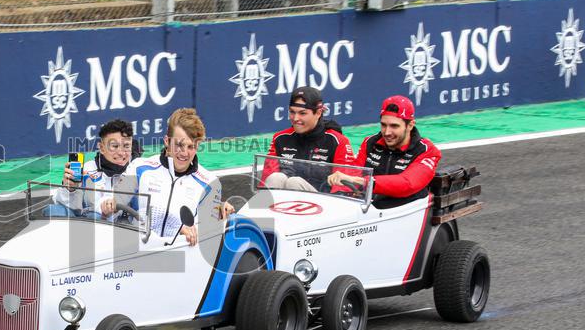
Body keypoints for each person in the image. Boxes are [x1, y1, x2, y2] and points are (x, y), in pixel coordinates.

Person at [107, 108, 233, 246]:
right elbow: (114, 202)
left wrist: (218, 212)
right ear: (167, 141)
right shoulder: (139, 168)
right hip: (134, 253)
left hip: (181, 259)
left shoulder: (210, 184)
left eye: (191, 146)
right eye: (179, 145)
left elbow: (207, 232)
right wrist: (107, 203)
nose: (184, 152)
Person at [328, 95, 441, 208]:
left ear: (410, 125)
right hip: (372, 211)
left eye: (394, 126)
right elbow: (354, 172)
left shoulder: (427, 150)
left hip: (405, 212)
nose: (387, 132)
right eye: (383, 125)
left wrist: (363, 181)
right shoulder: (370, 142)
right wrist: (339, 191)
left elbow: (408, 183)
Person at [258, 86, 356, 191]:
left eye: (302, 113)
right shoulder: (280, 138)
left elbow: (344, 188)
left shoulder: (337, 141)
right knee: (276, 178)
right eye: (292, 112)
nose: (295, 119)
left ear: (318, 113)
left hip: (325, 203)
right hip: (284, 204)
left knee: (294, 182)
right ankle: (261, 207)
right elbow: (265, 180)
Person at [46, 119, 136, 219]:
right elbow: (67, 206)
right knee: (53, 210)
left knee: (95, 217)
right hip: (85, 224)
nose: (121, 152)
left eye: (126, 146)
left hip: (122, 230)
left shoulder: (137, 171)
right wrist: (70, 190)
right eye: (115, 146)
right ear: (101, 148)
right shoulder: (86, 170)